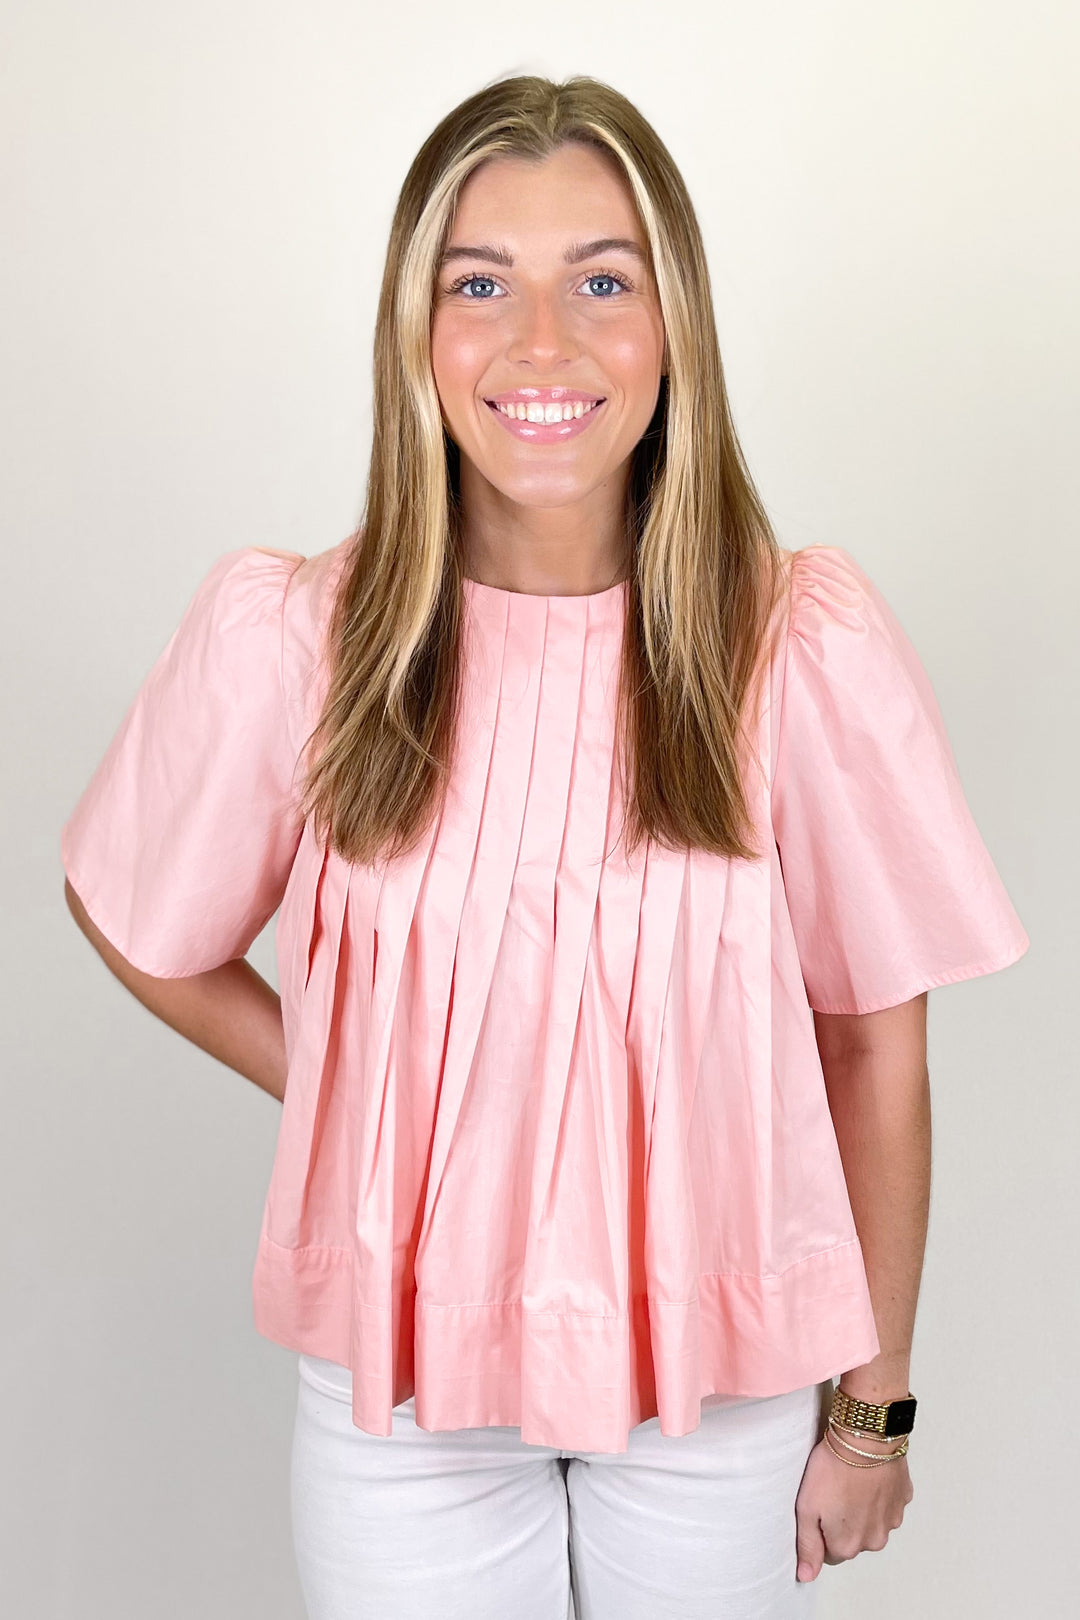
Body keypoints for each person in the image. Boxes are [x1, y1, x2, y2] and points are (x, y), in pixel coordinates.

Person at [61, 73, 1029, 1620]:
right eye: (478, 284)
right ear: (416, 330)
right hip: (405, 1402)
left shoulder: (795, 647)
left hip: (721, 1399)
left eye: (601, 280)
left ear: (675, 324)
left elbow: (875, 1054)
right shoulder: (298, 641)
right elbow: (135, 913)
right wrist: (355, 1077)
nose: (542, 347)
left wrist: (873, 1413)